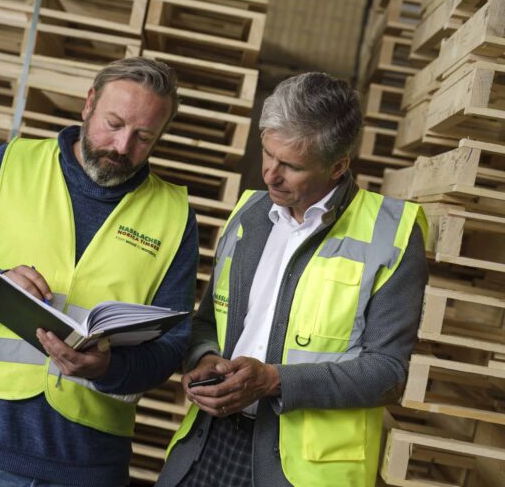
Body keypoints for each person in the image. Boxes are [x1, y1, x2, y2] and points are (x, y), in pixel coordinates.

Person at [0, 57, 198, 486]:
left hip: (90, 465)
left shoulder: (174, 214)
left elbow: (171, 347)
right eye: (114, 124)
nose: (122, 147)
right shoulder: (10, 165)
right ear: (88, 105)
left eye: (143, 137)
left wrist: (107, 370)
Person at [156, 72, 428, 487]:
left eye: (291, 166)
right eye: (267, 153)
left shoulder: (392, 233)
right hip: (207, 444)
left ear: (339, 166)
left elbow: (388, 372)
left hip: (303, 474)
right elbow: (208, 320)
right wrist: (204, 359)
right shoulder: (249, 213)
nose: (269, 175)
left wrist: (274, 380)